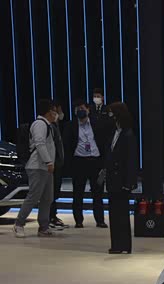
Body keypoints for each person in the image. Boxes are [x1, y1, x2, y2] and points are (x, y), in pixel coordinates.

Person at [13, 99, 58, 238]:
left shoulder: (48, 125)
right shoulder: (39, 124)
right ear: (49, 111)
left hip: (46, 167)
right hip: (37, 166)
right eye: (54, 110)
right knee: (34, 196)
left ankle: (43, 227)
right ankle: (19, 224)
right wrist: (49, 161)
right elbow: (39, 143)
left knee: (47, 198)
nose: (56, 113)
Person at [63, 99, 110, 228]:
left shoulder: (97, 123)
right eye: (78, 109)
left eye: (83, 108)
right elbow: (67, 145)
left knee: (98, 193)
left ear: (88, 110)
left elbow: (103, 142)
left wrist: (104, 162)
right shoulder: (70, 125)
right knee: (78, 193)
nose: (81, 111)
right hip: (79, 162)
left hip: (95, 161)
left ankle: (100, 220)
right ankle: (78, 220)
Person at [105, 102, 137, 254]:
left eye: (112, 113)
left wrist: (129, 182)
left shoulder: (127, 134)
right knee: (114, 213)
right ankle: (117, 244)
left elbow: (131, 160)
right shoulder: (114, 132)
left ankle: (123, 244)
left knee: (121, 214)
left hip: (121, 180)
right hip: (113, 179)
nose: (109, 116)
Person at [48, 102, 68, 230]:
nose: (59, 114)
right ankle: (48, 217)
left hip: (58, 164)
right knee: (50, 193)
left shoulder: (57, 125)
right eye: (56, 111)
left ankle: (53, 216)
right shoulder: (47, 126)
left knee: (55, 192)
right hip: (51, 164)